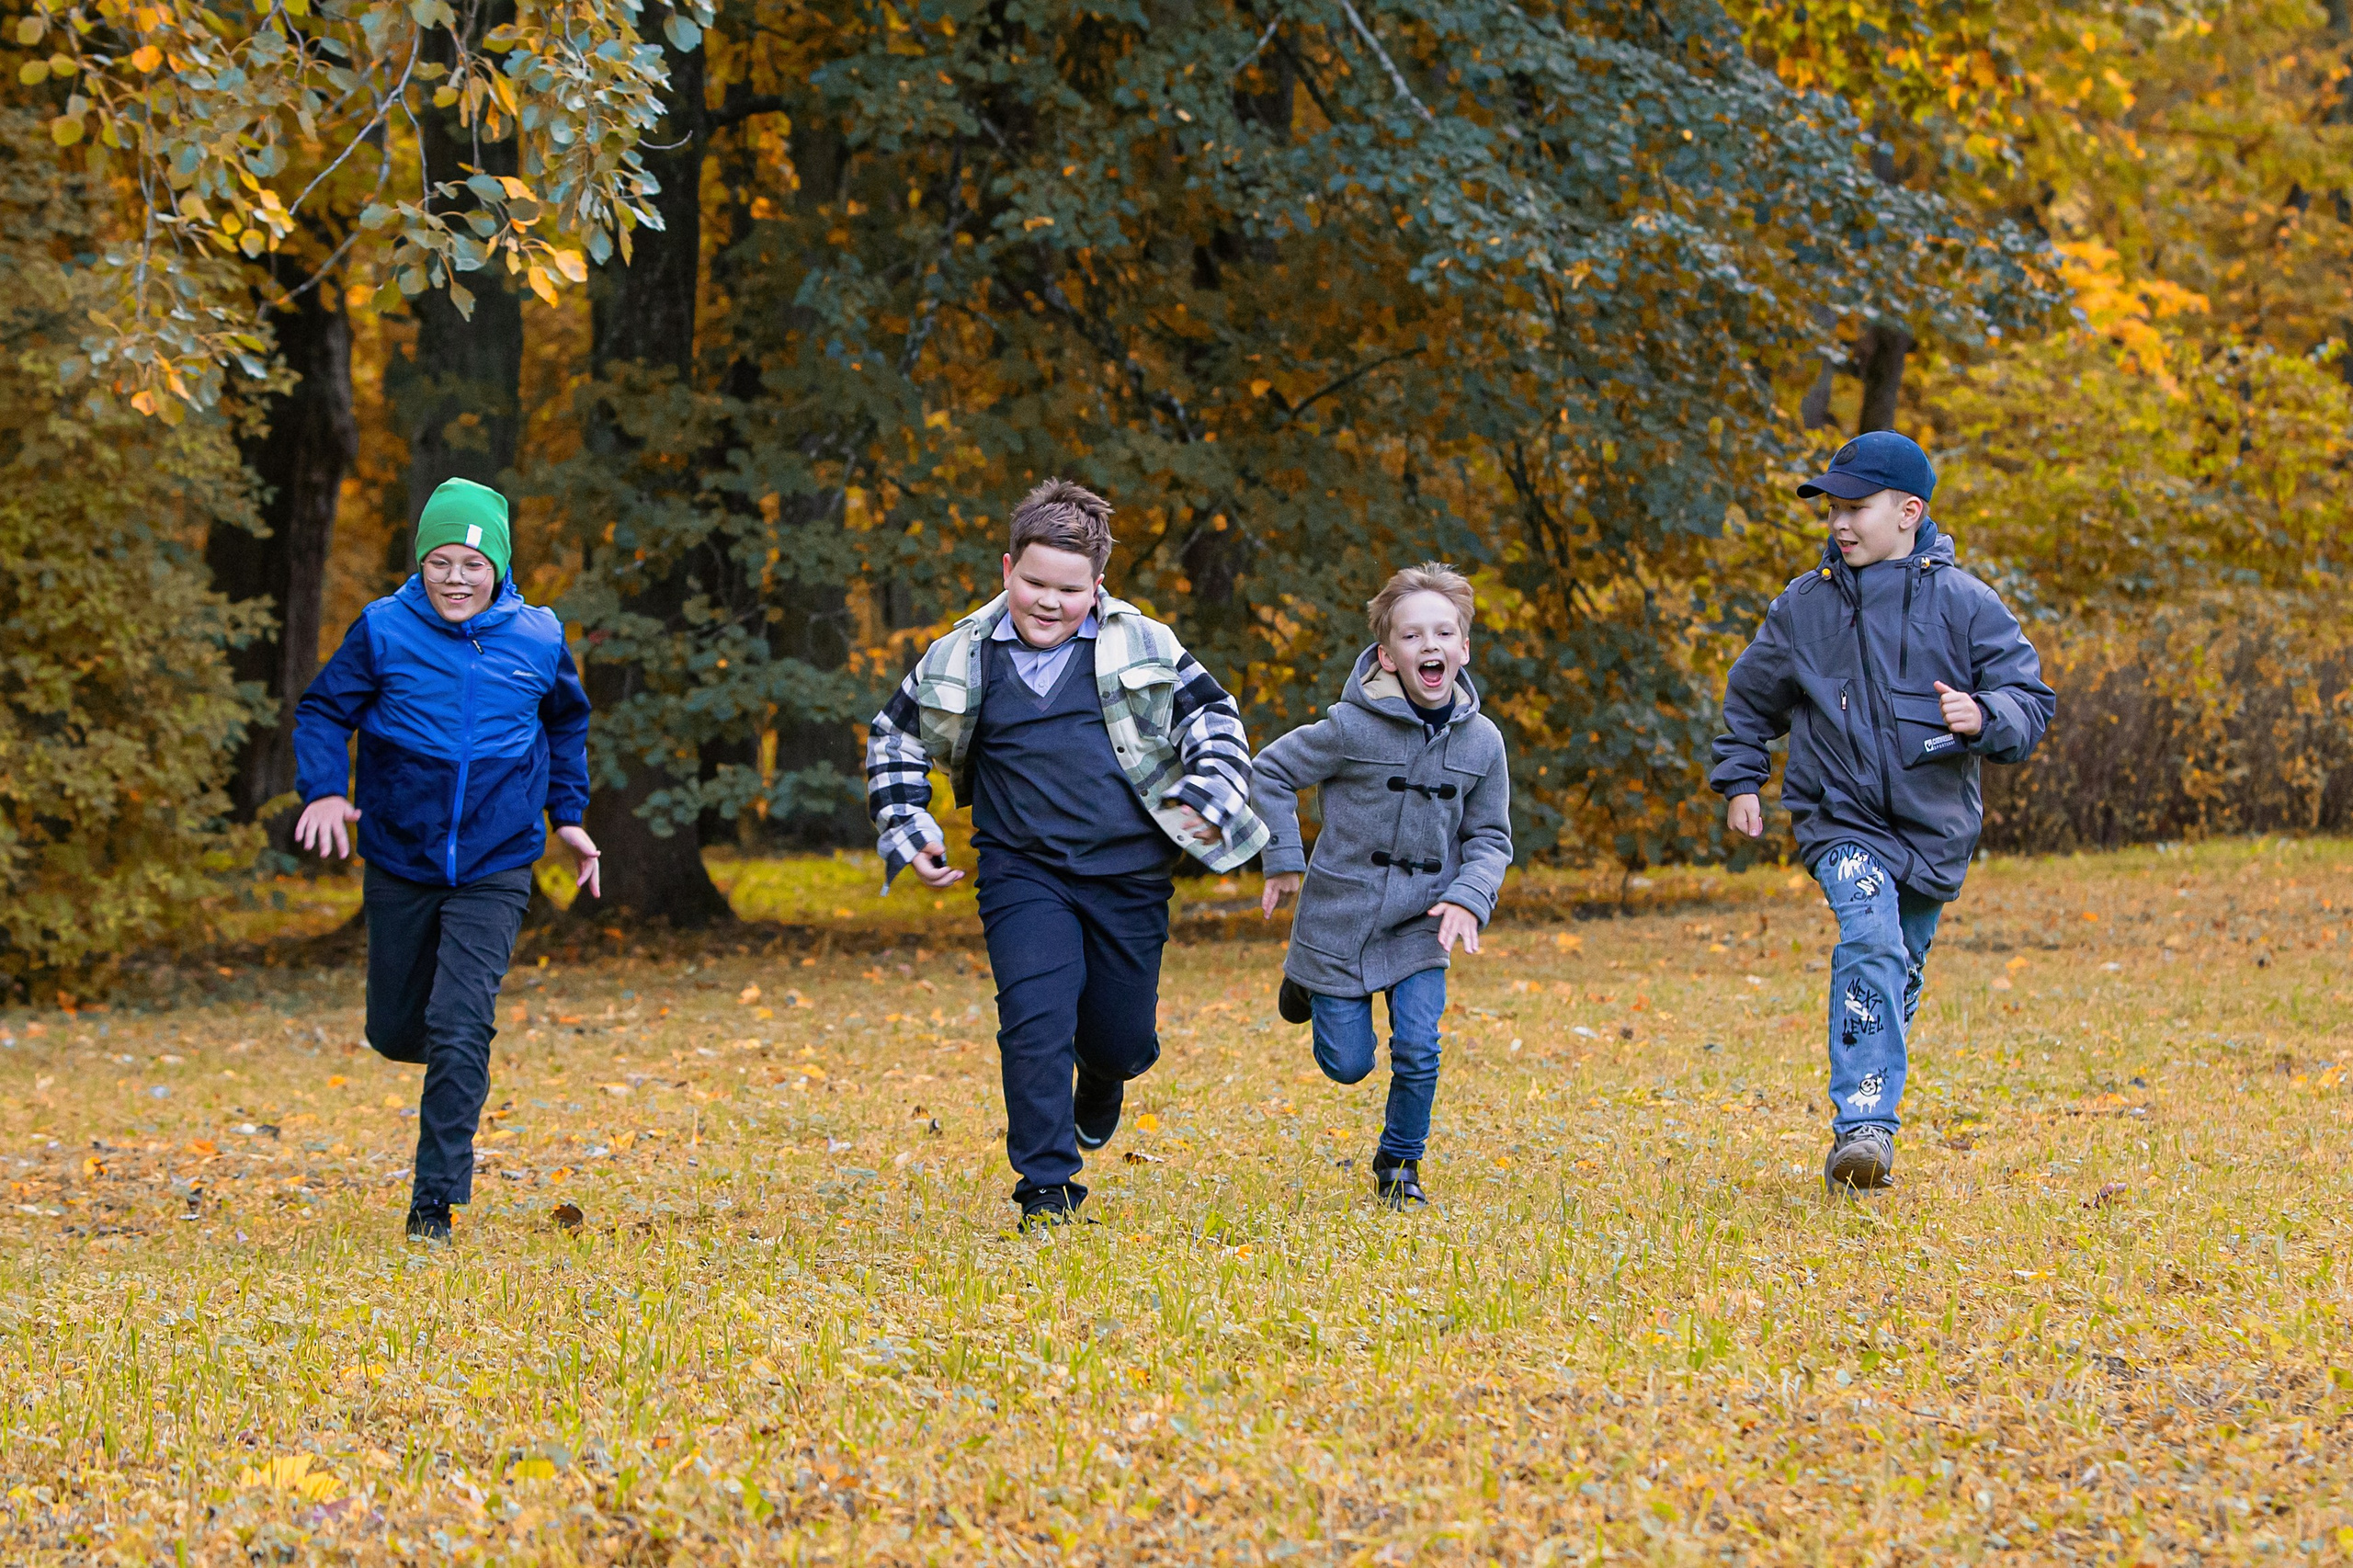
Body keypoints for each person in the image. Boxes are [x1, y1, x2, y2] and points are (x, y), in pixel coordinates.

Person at [865, 479, 1267, 1228]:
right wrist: (910, 827)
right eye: (1034, 583)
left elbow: (1212, 716)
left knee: (1121, 1039)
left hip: (1130, 872)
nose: (1049, 602)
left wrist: (1207, 793)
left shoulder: (1142, 644)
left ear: (1098, 585)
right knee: (1033, 1018)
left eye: (1069, 589)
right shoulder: (961, 655)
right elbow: (895, 736)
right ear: (1006, 569)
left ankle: (1105, 1078)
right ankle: (1046, 1188)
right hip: (1023, 870)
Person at [1710, 431, 2054, 1193]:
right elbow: (1750, 702)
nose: (1839, 522)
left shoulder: (1967, 605)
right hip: (1840, 819)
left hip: (1934, 832)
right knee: (1868, 933)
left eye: (1855, 507)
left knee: (1898, 966)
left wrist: (1984, 714)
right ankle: (1863, 1128)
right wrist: (1741, 782)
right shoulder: (1804, 608)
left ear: (1908, 512)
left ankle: (1870, 1104)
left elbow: (2030, 700)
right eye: (1832, 508)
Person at [292, 477, 602, 1244]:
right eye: (440, 561)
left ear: (497, 565)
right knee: (397, 1032)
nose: (456, 577)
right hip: (402, 853)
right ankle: (449, 1045)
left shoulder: (538, 637)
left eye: (471, 561)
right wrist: (326, 790)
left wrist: (569, 815)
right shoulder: (383, 630)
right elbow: (324, 710)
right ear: (420, 565)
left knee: (463, 1024)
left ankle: (435, 1203)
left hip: (498, 858)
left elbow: (566, 725)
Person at [1254, 564, 1513, 1210]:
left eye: (1443, 633)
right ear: (1387, 655)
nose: (1429, 645)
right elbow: (1270, 772)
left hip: (1424, 921)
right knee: (1348, 1066)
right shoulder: (1350, 727)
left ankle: (1400, 1164)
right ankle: (1309, 984)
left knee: (1421, 1048)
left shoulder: (1482, 743)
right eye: (1412, 635)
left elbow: (1491, 838)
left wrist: (1468, 895)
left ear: (1463, 649)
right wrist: (1284, 856)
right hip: (1339, 920)